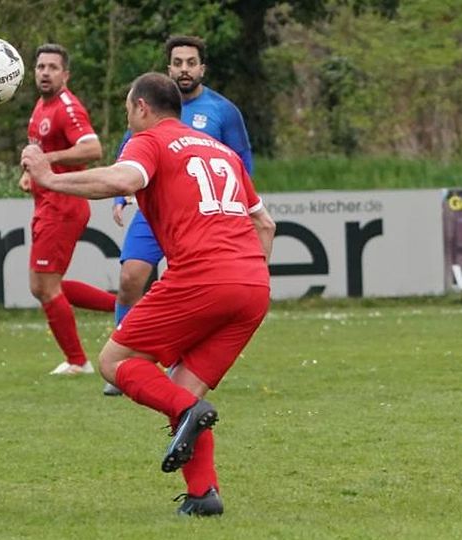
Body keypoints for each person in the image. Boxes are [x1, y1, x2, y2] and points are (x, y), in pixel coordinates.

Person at [21, 72, 275, 516]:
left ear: (141, 107)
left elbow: (122, 181)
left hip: (202, 276)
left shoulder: (152, 140)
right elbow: (265, 224)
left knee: (115, 362)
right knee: (181, 387)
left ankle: (189, 416)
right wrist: (245, 271)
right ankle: (203, 496)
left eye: (126, 108)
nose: (127, 117)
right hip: (253, 284)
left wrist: (49, 176)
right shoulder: (221, 150)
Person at [103, 35, 255, 396]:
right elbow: (129, 158)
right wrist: (123, 197)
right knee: (130, 277)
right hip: (155, 209)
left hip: (203, 217)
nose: (184, 69)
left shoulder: (223, 110)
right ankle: (130, 361)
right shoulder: (150, 110)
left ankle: (170, 362)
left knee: (191, 285)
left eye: (191, 62)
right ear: (169, 68)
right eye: (178, 62)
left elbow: (241, 162)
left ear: (202, 67)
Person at [18, 43, 116, 376]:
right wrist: (30, 174)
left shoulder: (67, 107)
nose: (45, 73)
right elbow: (41, 149)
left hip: (63, 204)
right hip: (48, 201)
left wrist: (48, 162)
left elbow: (93, 148)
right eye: (40, 67)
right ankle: (125, 308)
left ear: (65, 74)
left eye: (52, 67)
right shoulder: (41, 106)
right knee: (43, 285)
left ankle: (78, 362)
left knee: (46, 287)